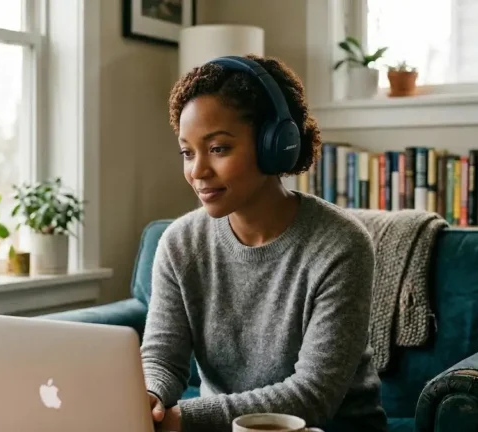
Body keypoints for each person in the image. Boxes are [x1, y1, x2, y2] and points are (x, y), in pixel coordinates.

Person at [140, 54, 387, 432]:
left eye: (218, 148)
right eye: (187, 152)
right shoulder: (179, 243)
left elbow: (312, 395)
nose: (197, 171)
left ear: (276, 144)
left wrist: (183, 420)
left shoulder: (341, 244)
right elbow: (162, 358)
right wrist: (149, 398)